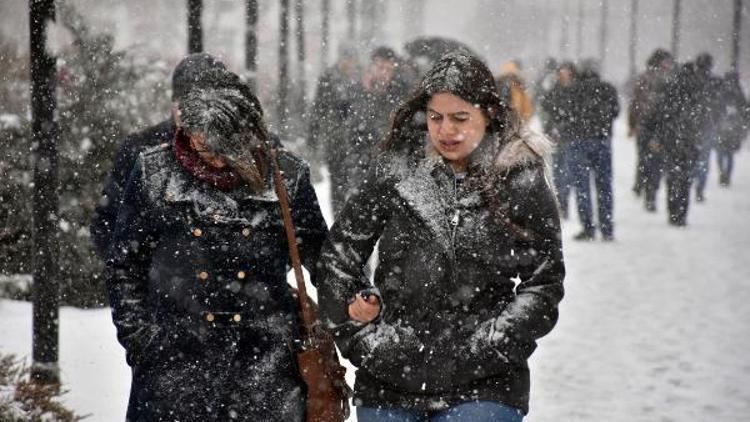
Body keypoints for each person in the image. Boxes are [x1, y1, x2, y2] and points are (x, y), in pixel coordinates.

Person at [317, 52, 565, 421]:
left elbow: (543, 279)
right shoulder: (395, 169)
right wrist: (364, 334)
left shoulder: (519, 176)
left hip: (487, 380)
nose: (446, 130)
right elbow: (338, 257)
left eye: (460, 118)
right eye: (436, 117)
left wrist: (495, 341)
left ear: (489, 114)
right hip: (391, 377)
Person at [106, 82, 328, 421]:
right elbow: (125, 262)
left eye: (227, 147)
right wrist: (140, 338)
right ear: (187, 130)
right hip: (174, 361)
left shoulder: (285, 174)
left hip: (263, 363)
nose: (216, 157)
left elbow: (320, 257)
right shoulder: (155, 172)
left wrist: (353, 302)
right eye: (203, 144)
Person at [90, 53, 228, 260]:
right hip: (163, 283)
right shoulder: (140, 149)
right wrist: (133, 278)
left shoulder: (250, 151)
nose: (197, 116)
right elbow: (108, 221)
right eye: (188, 103)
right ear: (175, 104)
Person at [336, 46, 410, 214]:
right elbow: (348, 127)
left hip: (392, 166)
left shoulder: (401, 93)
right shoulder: (356, 91)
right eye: (380, 67)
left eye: (388, 69)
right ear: (371, 67)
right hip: (361, 164)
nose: (384, 73)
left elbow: (405, 130)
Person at [566, 60, 619, 241]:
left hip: (579, 141)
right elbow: (616, 112)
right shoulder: (607, 89)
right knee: (604, 186)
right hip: (602, 140)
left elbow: (565, 114)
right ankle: (607, 227)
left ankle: (588, 228)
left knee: (582, 187)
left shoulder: (574, 90)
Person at [308, 44, 361, 209]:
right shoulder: (328, 78)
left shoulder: (359, 78)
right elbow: (318, 108)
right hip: (335, 141)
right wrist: (313, 137)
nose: (349, 64)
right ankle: (338, 219)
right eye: (346, 60)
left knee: (356, 184)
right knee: (338, 185)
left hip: (357, 142)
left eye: (352, 60)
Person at [628, 49, 674, 211]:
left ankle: (641, 184)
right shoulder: (668, 80)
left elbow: (634, 104)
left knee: (643, 158)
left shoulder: (643, 78)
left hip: (643, 126)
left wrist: (632, 124)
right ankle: (650, 194)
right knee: (655, 162)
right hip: (659, 128)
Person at [541, 61, 578, 219]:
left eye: (566, 73)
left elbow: (576, 115)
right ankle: (561, 204)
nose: (563, 76)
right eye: (561, 73)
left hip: (570, 137)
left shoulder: (575, 92)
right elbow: (546, 109)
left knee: (566, 173)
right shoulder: (554, 91)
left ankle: (564, 203)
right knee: (558, 173)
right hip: (557, 137)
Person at [715, 71, 750, 186]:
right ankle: (727, 176)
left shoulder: (721, 91)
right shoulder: (739, 92)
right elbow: (745, 111)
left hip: (721, 127)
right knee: (729, 154)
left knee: (720, 152)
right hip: (733, 129)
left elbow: (716, 107)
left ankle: (722, 173)